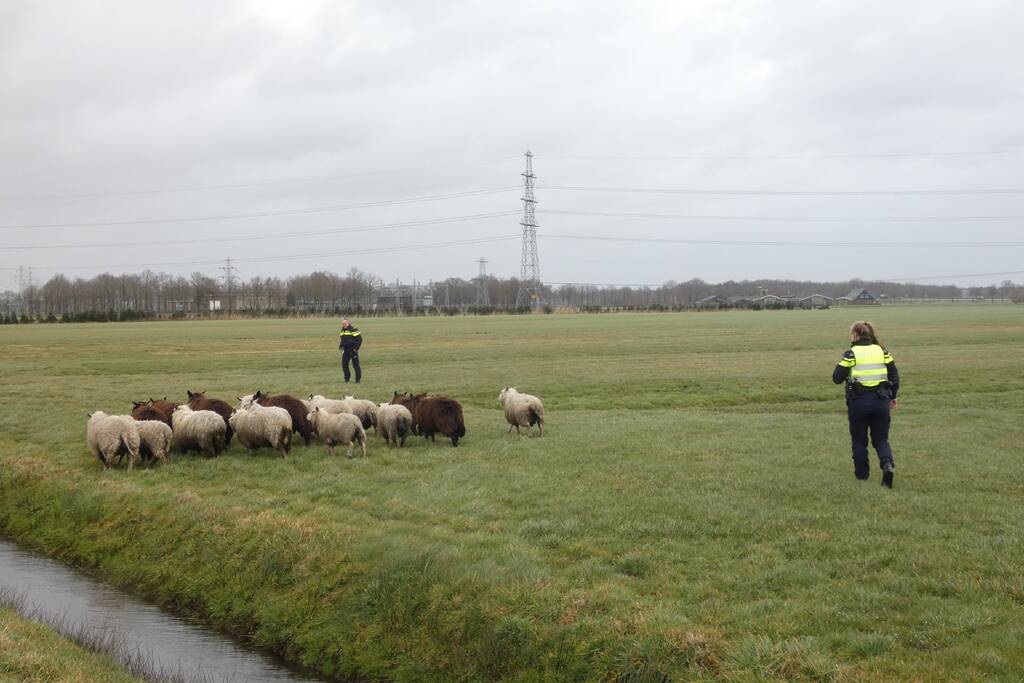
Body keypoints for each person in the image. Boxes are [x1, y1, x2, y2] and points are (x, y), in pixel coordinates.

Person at [832, 321, 900, 488]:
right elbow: (894, 376)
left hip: (858, 402)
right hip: (881, 401)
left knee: (859, 440)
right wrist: (893, 397)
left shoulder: (851, 354)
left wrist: (846, 364)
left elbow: (836, 378)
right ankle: (887, 465)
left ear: (855, 335)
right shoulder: (882, 351)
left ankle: (862, 476)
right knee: (881, 440)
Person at [338, 318, 363, 383]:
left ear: (348, 323)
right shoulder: (342, 331)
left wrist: (356, 349)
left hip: (353, 350)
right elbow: (342, 340)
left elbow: (359, 339)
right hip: (346, 351)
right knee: (344, 365)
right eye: (343, 324)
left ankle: (358, 380)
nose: (344, 325)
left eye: (345, 323)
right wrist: (341, 347)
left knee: (356, 366)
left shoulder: (353, 329)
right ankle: (347, 379)